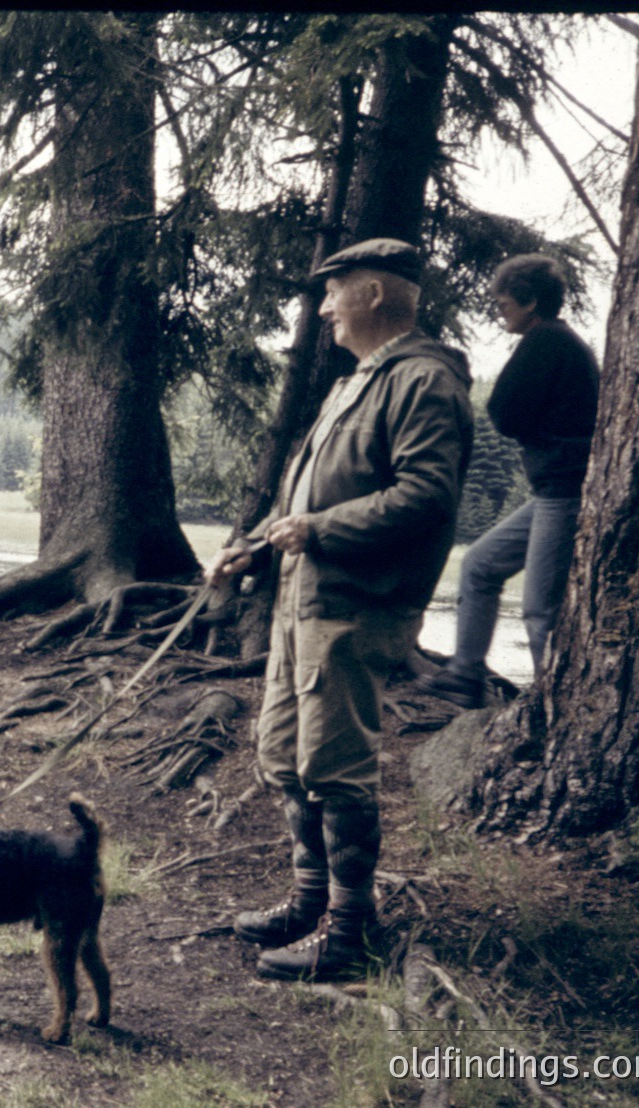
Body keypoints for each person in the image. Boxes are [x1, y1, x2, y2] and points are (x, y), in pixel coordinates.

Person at [207, 238, 474, 982]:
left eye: (336, 291)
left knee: (336, 768)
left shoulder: (423, 382)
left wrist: (317, 530)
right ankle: (310, 901)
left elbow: (427, 496)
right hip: (304, 600)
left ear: (376, 296)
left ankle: (349, 933)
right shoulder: (357, 380)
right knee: (286, 757)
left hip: (358, 608)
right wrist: (258, 546)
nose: (323, 308)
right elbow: (311, 498)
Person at [417, 254, 599, 708]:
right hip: (552, 490)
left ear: (531, 302)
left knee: (541, 610)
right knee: (479, 564)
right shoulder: (557, 340)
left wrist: (533, 434)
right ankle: (465, 674)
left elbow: (504, 411)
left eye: (504, 306)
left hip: (565, 491)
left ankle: (555, 707)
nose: (501, 316)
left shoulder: (544, 341)